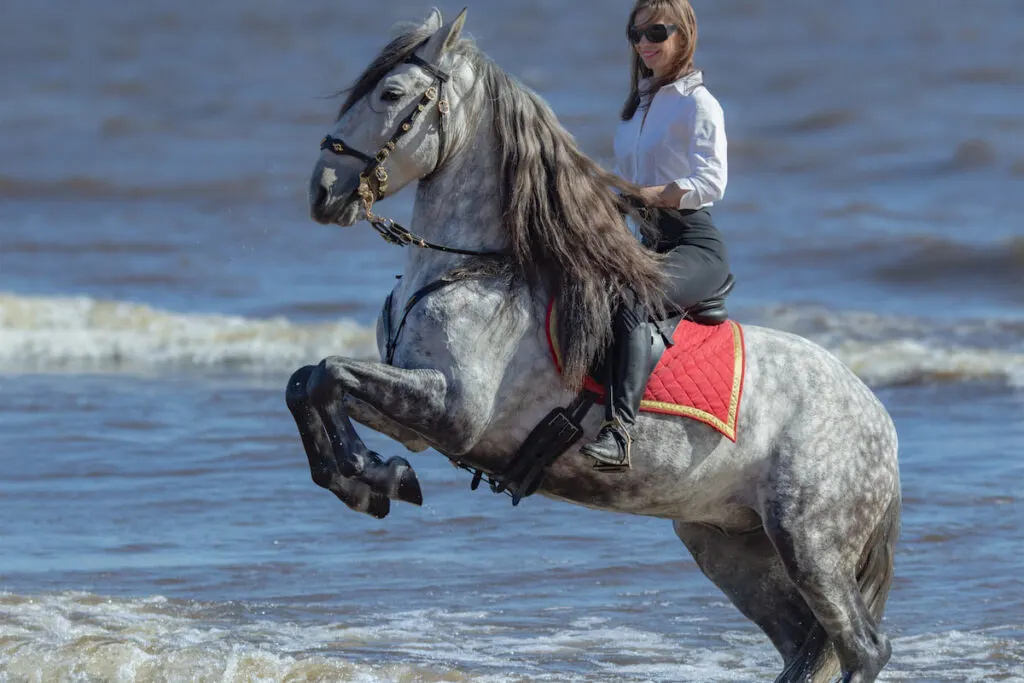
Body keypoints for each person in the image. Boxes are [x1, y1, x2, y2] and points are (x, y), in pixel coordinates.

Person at [581, 0, 732, 469]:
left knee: (631, 300)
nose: (645, 44)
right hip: (646, 243)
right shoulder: (633, 111)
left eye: (656, 33)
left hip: (694, 244)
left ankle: (619, 433)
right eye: (636, 35)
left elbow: (713, 182)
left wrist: (645, 195)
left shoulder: (698, 104)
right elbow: (626, 185)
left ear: (683, 36)